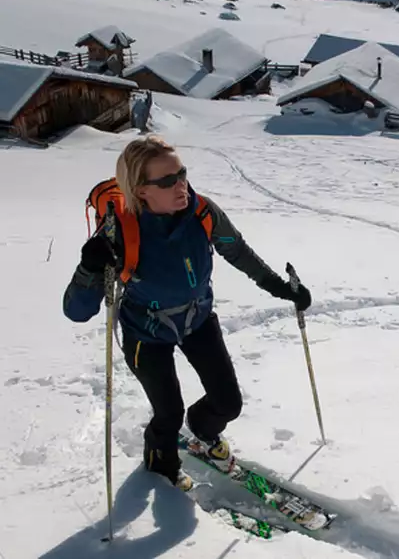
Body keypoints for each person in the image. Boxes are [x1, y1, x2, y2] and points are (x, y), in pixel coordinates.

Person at [62, 135, 312, 490]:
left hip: (197, 321)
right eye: (167, 181)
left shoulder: (202, 212)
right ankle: (160, 468)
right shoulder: (119, 232)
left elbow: (238, 252)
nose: (181, 185)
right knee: (168, 413)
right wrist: (89, 268)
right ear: (140, 189)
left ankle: (203, 432)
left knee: (227, 403)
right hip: (145, 334)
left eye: (182, 174)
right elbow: (76, 311)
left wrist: (282, 289)